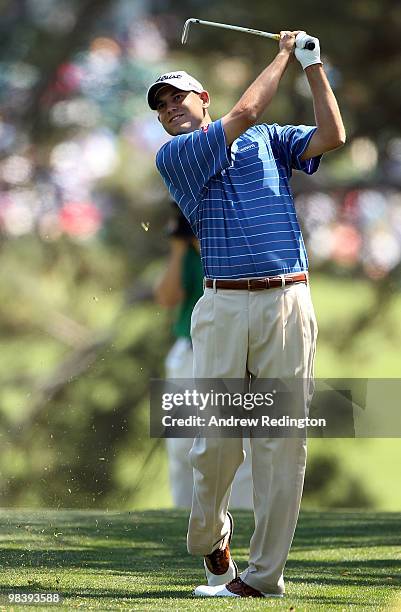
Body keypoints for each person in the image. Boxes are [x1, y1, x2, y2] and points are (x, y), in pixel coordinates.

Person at [147, 30, 345, 598]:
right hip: (224, 305)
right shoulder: (177, 155)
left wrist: (313, 65)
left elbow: (333, 134)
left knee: (283, 443)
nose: (169, 111)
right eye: (161, 107)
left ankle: (262, 578)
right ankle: (212, 543)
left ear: (201, 97)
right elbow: (248, 106)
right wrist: (283, 52)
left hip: (288, 298)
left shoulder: (269, 140)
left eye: (177, 99)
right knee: (215, 443)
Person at [155, 204, 253, 509]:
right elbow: (167, 297)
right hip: (189, 353)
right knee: (183, 446)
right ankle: (185, 519)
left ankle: (239, 523)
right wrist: (178, 247)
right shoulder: (184, 254)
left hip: (233, 354)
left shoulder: (234, 241)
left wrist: (202, 242)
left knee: (239, 445)